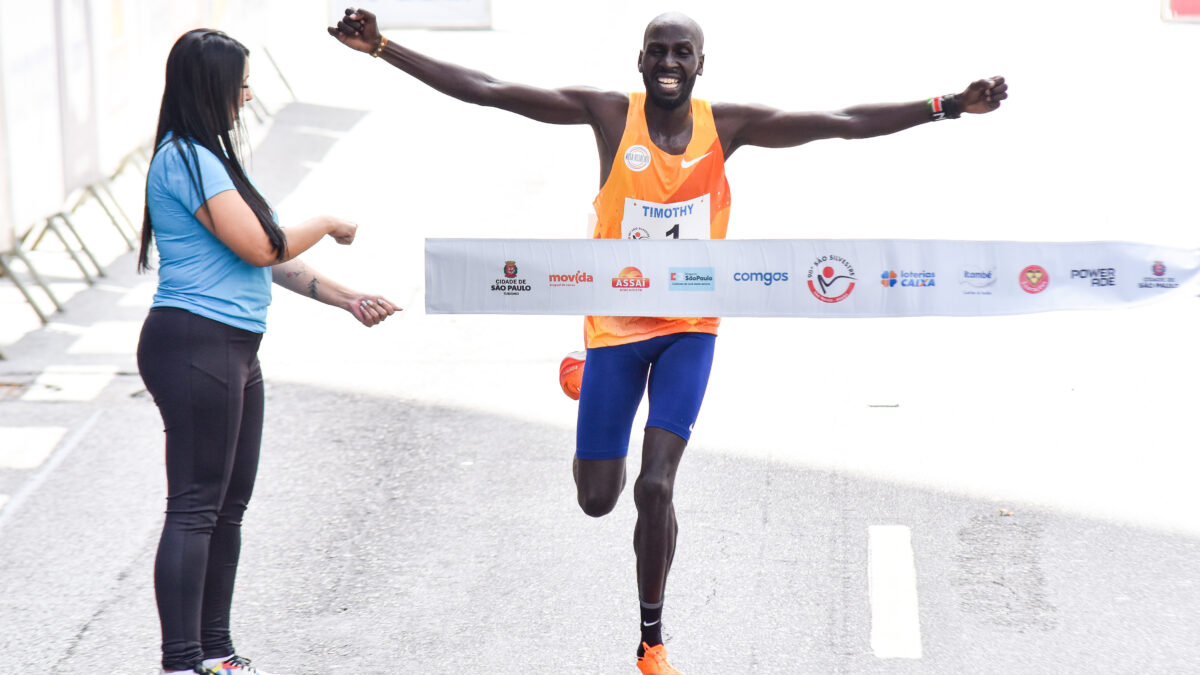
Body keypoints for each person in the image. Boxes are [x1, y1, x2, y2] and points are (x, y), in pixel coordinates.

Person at [329, 9, 1006, 673]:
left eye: (684, 53)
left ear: (701, 64)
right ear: (641, 61)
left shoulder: (728, 126)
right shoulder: (607, 115)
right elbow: (492, 92)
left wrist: (946, 105)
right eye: (659, 52)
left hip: (689, 328)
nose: (671, 64)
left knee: (656, 486)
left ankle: (651, 643)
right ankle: (582, 374)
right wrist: (384, 47)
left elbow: (841, 125)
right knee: (597, 498)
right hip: (614, 331)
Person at [136, 28, 399, 675]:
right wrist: (331, 222)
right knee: (196, 504)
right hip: (195, 341)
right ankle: (180, 661)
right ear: (211, 88)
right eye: (240, 83)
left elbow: (268, 260)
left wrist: (348, 298)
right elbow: (265, 245)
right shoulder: (186, 158)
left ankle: (216, 652)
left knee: (228, 504)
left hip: (230, 346)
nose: (247, 95)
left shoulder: (212, 160)